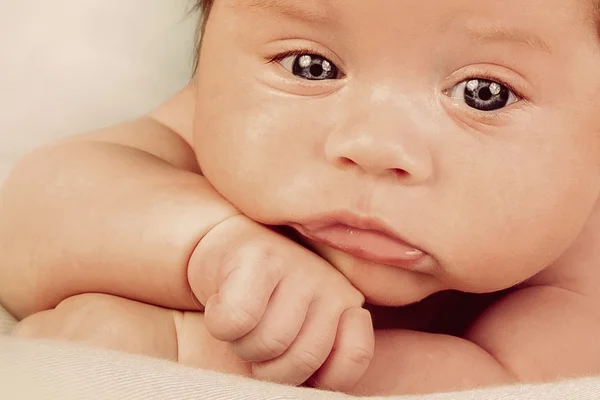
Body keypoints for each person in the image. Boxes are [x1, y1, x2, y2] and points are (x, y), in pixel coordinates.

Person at [2, 0, 600, 395]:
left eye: (484, 93)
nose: (372, 144)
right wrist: (208, 244)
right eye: (311, 66)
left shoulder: (578, 256)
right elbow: (24, 230)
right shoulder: (213, 121)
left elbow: (512, 384)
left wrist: (187, 349)